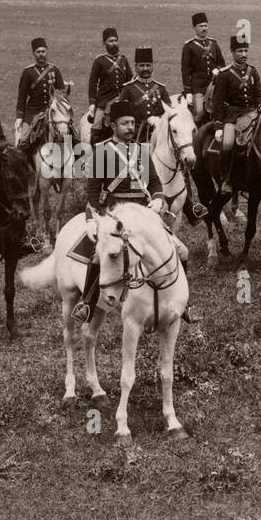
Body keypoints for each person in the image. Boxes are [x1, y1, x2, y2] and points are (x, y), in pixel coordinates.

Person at [70, 99, 166, 324]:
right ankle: (87, 302)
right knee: (96, 256)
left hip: (142, 213)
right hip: (114, 213)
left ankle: (180, 302)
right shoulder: (102, 151)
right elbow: (93, 191)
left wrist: (159, 199)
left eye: (133, 123)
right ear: (113, 126)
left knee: (177, 250)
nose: (130, 127)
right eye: (125, 123)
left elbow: (153, 182)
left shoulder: (142, 150)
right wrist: (94, 217)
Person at [211, 36, 261, 187]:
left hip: (253, 113)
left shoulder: (253, 71)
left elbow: (259, 94)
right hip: (232, 116)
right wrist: (218, 127)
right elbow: (217, 103)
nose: (243, 54)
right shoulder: (224, 74)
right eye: (240, 51)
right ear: (232, 52)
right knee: (228, 143)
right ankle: (226, 178)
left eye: (246, 50)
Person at [15, 37, 65, 148]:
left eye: (43, 51)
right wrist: (19, 116)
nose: (41, 54)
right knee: (23, 140)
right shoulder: (28, 72)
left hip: (53, 111)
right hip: (33, 112)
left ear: (47, 52)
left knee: (70, 136)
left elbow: (61, 92)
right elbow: (22, 96)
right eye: (38, 52)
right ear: (34, 53)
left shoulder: (55, 70)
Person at [87, 27, 133, 145]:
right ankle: (94, 153)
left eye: (115, 40)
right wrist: (92, 103)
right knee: (97, 125)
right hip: (104, 100)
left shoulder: (123, 60)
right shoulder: (99, 61)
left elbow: (130, 80)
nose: (113, 44)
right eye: (110, 41)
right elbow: (93, 82)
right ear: (104, 43)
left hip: (122, 98)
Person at [116, 46, 171, 142]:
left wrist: (158, 119)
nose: (145, 68)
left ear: (153, 66)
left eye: (148, 65)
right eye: (141, 65)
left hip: (157, 133)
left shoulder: (161, 88)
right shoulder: (128, 88)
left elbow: (169, 112)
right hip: (134, 134)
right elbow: (122, 116)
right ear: (135, 67)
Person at [180, 12, 224, 123]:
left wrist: (217, 70)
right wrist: (188, 91)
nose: (204, 29)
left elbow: (221, 63)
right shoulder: (189, 46)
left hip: (213, 85)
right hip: (198, 88)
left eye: (205, 26)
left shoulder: (213, 44)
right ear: (194, 28)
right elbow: (185, 71)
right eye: (200, 26)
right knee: (199, 112)